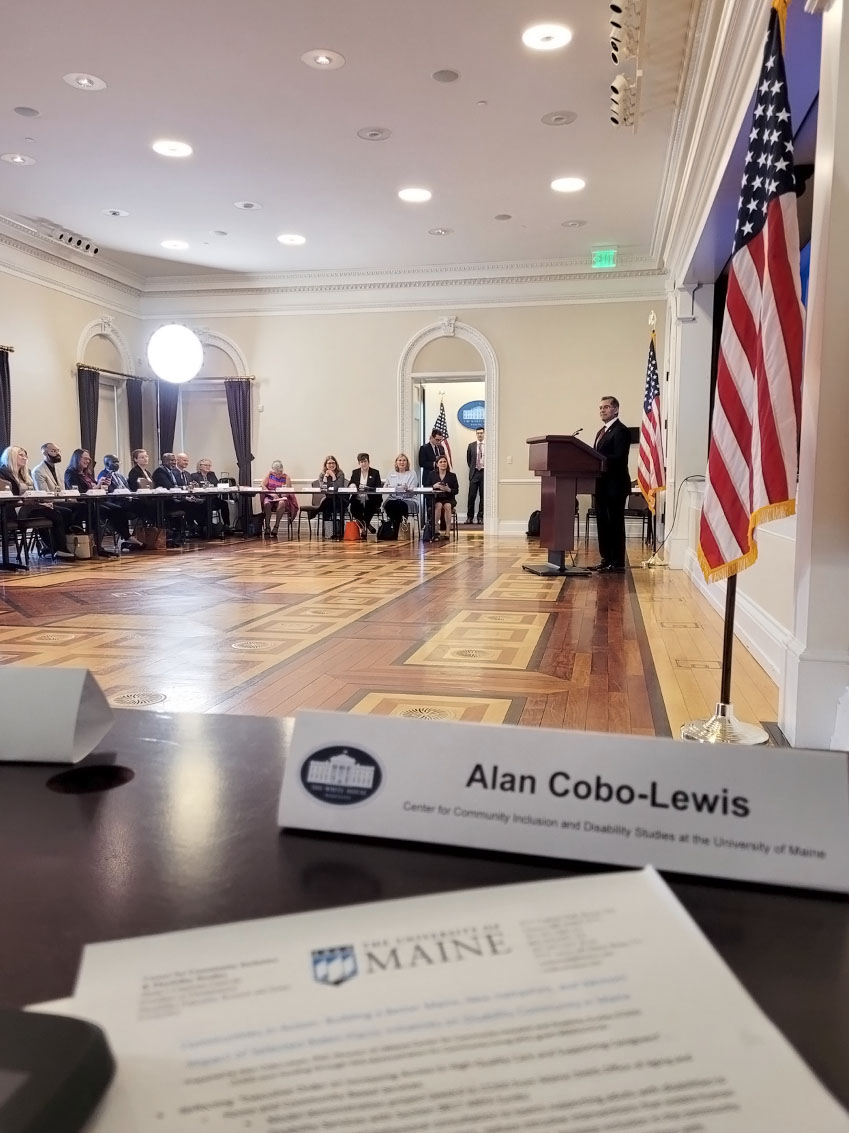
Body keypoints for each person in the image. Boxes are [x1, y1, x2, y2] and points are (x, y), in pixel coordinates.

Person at [0, 445, 74, 558]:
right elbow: (7, 496)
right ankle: (59, 548)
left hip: (30, 506)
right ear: (11, 456)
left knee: (65, 512)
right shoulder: (3, 473)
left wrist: (41, 502)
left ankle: (55, 547)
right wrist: (27, 501)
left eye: (25, 456)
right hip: (14, 509)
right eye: (21, 455)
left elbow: (32, 493)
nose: (24, 458)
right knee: (54, 514)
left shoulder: (26, 473)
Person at [590, 395, 632, 574]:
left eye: (606, 407)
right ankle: (606, 559)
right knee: (603, 523)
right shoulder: (601, 431)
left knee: (614, 523)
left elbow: (619, 457)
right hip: (601, 485)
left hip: (615, 485)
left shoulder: (621, 430)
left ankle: (617, 562)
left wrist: (598, 459)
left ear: (615, 409)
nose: (602, 410)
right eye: (600, 408)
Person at [64, 449, 138, 548]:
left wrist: (104, 485)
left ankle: (127, 537)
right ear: (77, 458)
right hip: (83, 504)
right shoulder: (70, 473)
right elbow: (78, 492)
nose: (87, 461)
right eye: (85, 459)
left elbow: (96, 487)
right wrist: (97, 486)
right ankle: (96, 545)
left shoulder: (87, 473)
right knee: (103, 512)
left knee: (118, 509)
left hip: (95, 501)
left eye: (89, 459)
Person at [153, 452, 206, 537]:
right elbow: (169, 487)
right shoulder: (160, 471)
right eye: (171, 460)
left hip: (176, 498)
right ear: (164, 461)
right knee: (191, 504)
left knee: (199, 503)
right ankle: (195, 527)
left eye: (174, 460)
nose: (174, 462)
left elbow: (176, 486)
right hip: (166, 502)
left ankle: (200, 526)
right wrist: (185, 494)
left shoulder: (171, 471)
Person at [191, 458, 236, 530]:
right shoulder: (194, 475)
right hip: (201, 499)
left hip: (213, 498)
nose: (208, 467)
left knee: (224, 504)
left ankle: (226, 525)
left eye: (209, 465)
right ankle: (205, 526)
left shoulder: (212, 474)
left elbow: (217, 485)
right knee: (203, 506)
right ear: (200, 466)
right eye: (206, 465)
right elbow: (194, 487)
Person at [310, 456, 347, 538]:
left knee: (327, 502)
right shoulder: (322, 474)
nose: (331, 465)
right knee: (328, 505)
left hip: (341, 499)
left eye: (333, 463)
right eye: (329, 463)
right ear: (325, 465)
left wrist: (333, 476)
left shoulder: (340, 474)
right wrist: (325, 478)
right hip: (329, 499)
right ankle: (330, 533)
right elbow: (323, 489)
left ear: (336, 464)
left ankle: (317, 511)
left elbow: (337, 488)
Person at [383, 454, 418, 536]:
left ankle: (396, 528)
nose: (402, 462)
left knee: (400, 504)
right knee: (389, 504)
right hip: (393, 498)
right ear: (396, 462)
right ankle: (394, 525)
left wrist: (407, 489)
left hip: (408, 498)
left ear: (407, 462)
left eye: (404, 460)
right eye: (400, 460)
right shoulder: (391, 473)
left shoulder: (412, 473)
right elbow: (385, 486)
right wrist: (388, 487)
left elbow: (414, 488)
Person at [260, 461, 298, 537]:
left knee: (282, 503)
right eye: (276, 473)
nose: (278, 475)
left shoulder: (286, 477)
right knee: (266, 504)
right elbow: (262, 485)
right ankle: (267, 527)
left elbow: (289, 491)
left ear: (282, 470)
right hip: (270, 496)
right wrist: (271, 494)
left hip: (281, 497)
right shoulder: (270, 475)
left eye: (280, 472)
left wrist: (281, 495)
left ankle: (276, 526)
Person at [348, 453, 382, 535]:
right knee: (354, 509)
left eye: (365, 461)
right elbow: (351, 484)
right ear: (359, 463)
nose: (363, 464)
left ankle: (364, 527)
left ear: (368, 462)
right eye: (361, 462)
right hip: (358, 498)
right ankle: (367, 525)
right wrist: (352, 485)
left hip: (371, 499)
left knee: (369, 509)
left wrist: (368, 488)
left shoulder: (375, 472)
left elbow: (378, 487)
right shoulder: (355, 472)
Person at [431, 455, 459, 540]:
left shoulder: (452, 475)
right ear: (437, 464)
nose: (443, 463)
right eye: (441, 462)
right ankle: (436, 529)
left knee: (447, 506)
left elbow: (456, 490)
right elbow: (426, 487)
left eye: (445, 462)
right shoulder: (432, 474)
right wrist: (434, 486)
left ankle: (447, 530)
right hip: (436, 498)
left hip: (449, 498)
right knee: (438, 505)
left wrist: (448, 489)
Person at [466, 427, 485, 525]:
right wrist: (475, 468)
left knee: (483, 497)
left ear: (484, 434)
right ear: (476, 434)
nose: (480, 435)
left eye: (481, 433)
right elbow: (469, 461)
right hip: (474, 473)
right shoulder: (471, 446)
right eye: (478, 433)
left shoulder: (488, 446)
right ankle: (469, 517)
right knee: (471, 496)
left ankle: (480, 517)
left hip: (484, 473)